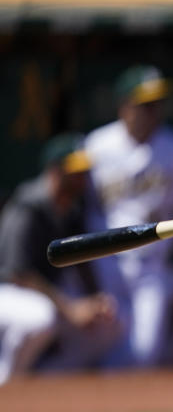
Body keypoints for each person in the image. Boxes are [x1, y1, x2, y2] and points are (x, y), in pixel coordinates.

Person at [85, 66, 173, 366]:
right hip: (107, 262)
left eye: (157, 104)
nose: (153, 112)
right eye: (145, 105)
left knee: (146, 348)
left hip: (153, 262)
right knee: (106, 346)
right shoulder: (97, 146)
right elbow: (80, 207)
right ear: (125, 106)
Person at [0, 134, 123, 384]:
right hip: (9, 291)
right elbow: (18, 274)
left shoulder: (72, 209)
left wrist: (95, 298)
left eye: (84, 172)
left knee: (109, 324)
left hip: (44, 295)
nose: (83, 179)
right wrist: (69, 308)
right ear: (55, 172)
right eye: (75, 172)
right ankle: (8, 381)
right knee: (40, 317)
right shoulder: (28, 206)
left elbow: (82, 261)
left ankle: (46, 383)